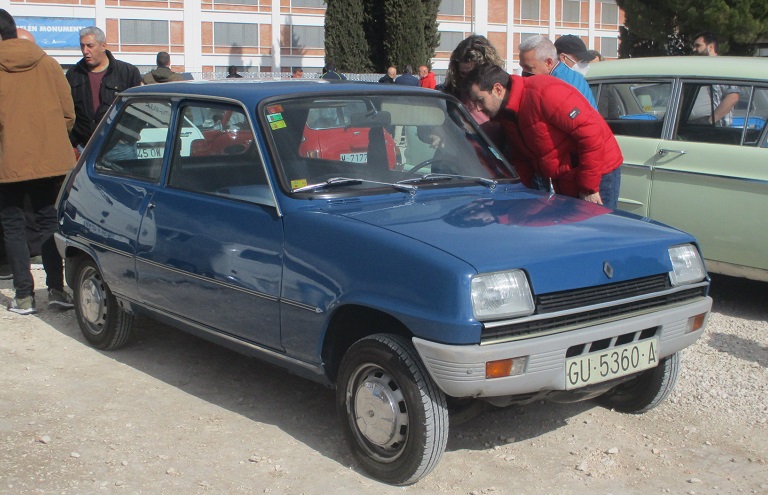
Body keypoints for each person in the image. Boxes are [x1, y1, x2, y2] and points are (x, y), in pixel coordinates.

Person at [0, 9, 78, 314]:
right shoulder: (48, 63)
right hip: (51, 160)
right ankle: (57, 290)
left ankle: (24, 296)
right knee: (49, 221)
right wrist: (49, 141)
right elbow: (68, 113)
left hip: (9, 162)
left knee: (13, 225)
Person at [464, 64, 623, 209]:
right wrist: (515, 195)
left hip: (599, 173)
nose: (478, 109)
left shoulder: (544, 93)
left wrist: (588, 188)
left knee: (595, 232)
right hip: (569, 177)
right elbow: (523, 158)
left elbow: (591, 134)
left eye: (480, 100)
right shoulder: (508, 115)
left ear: (498, 89)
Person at [66, 26, 142, 152]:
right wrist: (74, 141)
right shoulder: (73, 74)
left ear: (103, 46)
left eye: (90, 46)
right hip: (84, 148)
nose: (85, 51)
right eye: (82, 46)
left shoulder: (128, 72)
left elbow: (140, 109)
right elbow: (67, 110)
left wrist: (126, 137)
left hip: (120, 148)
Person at [441, 35, 505, 142]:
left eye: (473, 74)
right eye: (463, 73)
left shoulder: (501, 91)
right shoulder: (450, 93)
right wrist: (437, 133)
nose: (468, 80)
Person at [518, 35, 597, 108]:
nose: (524, 73)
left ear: (549, 63)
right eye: (522, 67)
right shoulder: (572, 77)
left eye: (529, 68)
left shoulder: (559, 87)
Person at [691, 31, 739, 126]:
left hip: (715, 128)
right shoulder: (697, 69)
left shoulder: (723, 68)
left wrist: (710, 121)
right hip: (693, 126)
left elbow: (733, 97)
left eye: (698, 46)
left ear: (711, 47)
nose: (694, 49)